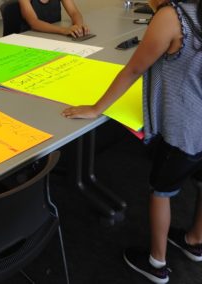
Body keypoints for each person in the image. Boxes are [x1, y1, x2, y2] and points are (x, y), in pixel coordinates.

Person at [62, 0, 202, 283]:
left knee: (161, 191)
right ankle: (195, 240)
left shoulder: (171, 17)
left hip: (182, 129)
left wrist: (96, 108)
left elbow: (134, 69)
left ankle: (156, 262)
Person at [18, 0, 89, 38]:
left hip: (55, 37)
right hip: (31, 38)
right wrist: (64, 30)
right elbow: (34, 22)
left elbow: (74, 12)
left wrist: (78, 26)